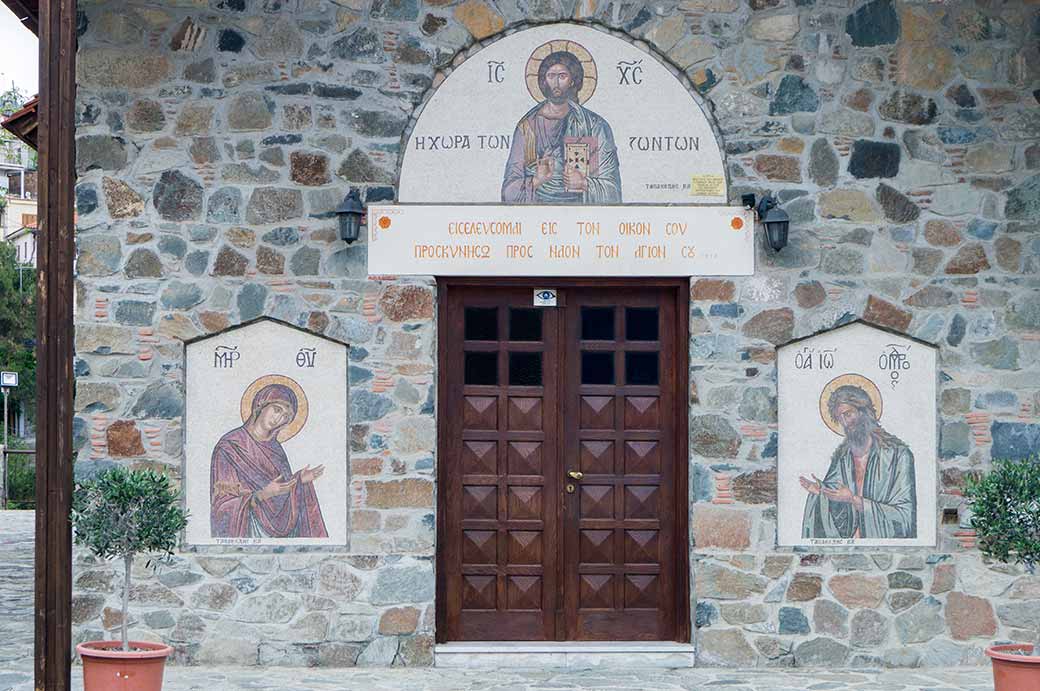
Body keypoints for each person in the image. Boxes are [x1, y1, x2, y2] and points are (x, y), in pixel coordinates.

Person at [502, 50, 622, 204]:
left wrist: (584, 184)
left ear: (573, 80)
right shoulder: (527, 128)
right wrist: (536, 181)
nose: (556, 83)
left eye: (562, 76)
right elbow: (508, 193)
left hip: (583, 216)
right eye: (551, 76)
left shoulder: (595, 126)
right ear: (544, 80)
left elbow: (613, 191)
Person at [210, 383, 327, 538]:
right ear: (261, 405)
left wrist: (299, 480)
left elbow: (282, 494)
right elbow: (222, 503)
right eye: (277, 410)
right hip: (248, 532)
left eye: (285, 417)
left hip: (282, 534)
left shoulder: (276, 450)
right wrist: (261, 495)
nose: (278, 418)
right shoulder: (230, 446)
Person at [801, 384, 916, 539]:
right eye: (840, 418)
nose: (845, 423)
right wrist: (822, 494)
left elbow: (905, 517)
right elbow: (837, 508)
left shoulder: (898, 456)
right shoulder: (843, 459)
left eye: (848, 414)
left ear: (864, 412)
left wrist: (853, 500)